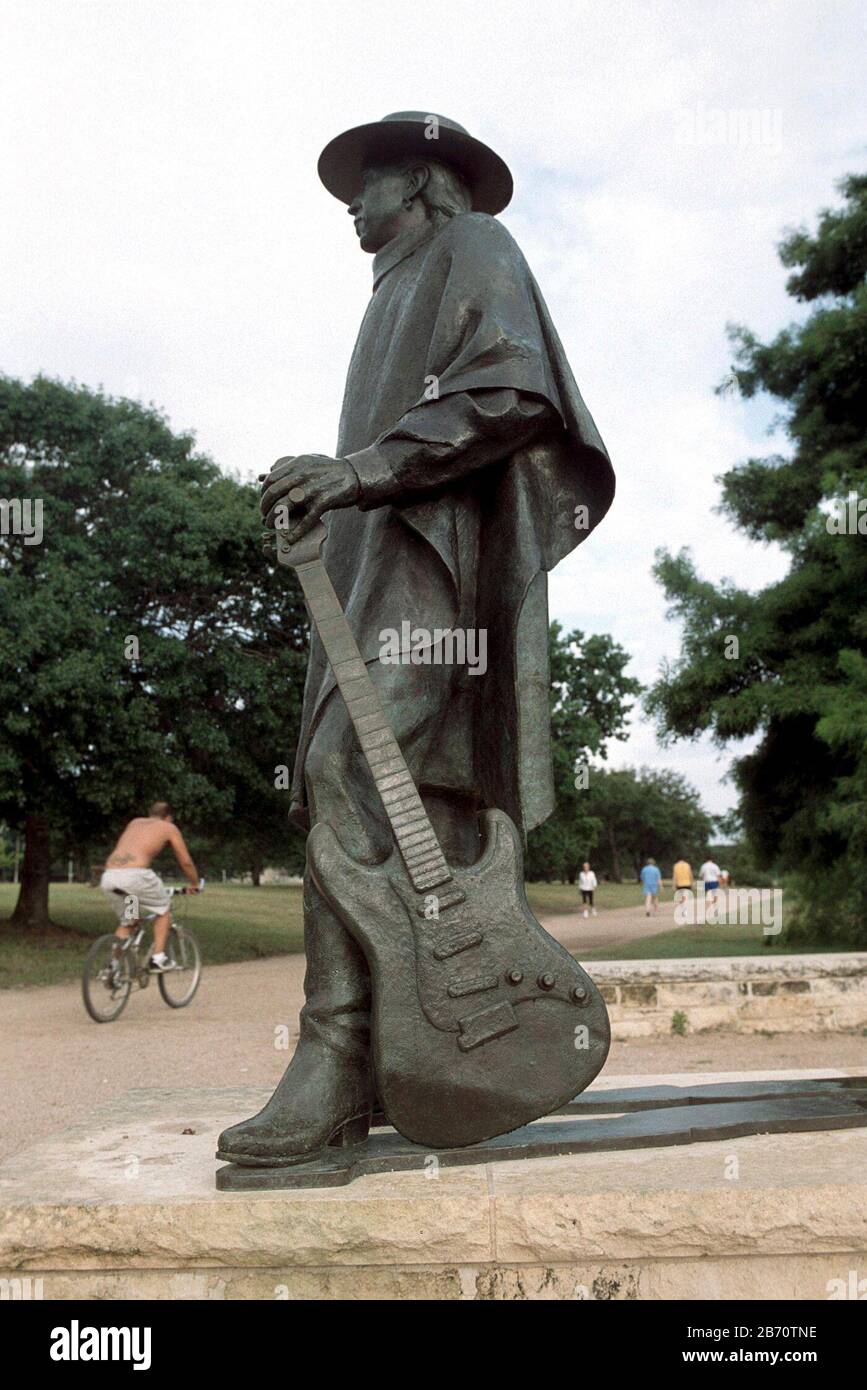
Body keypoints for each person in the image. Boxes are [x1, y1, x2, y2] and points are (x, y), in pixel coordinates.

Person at [218, 111, 614, 1167]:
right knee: (398, 797)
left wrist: (356, 472)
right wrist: (329, 501)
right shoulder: (390, 284)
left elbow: (513, 389)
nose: (352, 199)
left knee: (344, 761)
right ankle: (413, 1048)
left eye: (371, 180)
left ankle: (334, 1054)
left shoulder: (474, 244)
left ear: (428, 183)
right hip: (372, 563)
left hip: (436, 565)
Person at [100, 802, 200, 971]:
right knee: (164, 909)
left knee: (129, 922)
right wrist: (194, 883)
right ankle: (158, 958)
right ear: (168, 817)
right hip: (135, 876)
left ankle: (113, 967)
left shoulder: (134, 822)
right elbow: (186, 862)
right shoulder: (168, 827)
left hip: (110, 876)